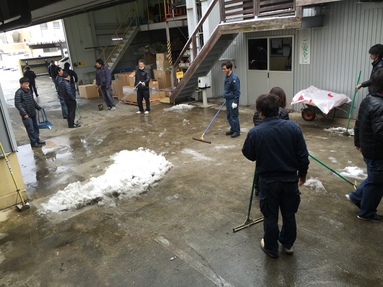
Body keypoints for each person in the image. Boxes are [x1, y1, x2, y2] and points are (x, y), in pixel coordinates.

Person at [242, 93, 309, 259]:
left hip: (268, 182)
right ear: (278, 109)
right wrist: (302, 174)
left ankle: (271, 248)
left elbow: (249, 154)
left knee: (270, 216)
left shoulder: (255, 132)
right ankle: (287, 244)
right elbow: (303, 155)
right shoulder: (293, 128)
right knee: (289, 214)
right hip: (290, 180)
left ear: (261, 113)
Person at [346, 69, 383, 222]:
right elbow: (381, 133)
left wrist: (358, 142)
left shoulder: (368, 100)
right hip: (377, 152)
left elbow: (359, 123)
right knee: (376, 183)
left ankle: (356, 196)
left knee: (374, 178)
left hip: (369, 149)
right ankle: (366, 212)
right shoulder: (380, 106)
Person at [14, 77, 46, 148]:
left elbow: (32, 101)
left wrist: (38, 107)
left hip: (33, 113)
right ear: (21, 84)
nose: (27, 85)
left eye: (28, 83)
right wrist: (24, 113)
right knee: (30, 129)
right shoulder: (19, 93)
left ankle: (37, 140)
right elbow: (17, 104)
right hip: (26, 115)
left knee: (35, 127)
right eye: (25, 83)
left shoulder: (29, 91)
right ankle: (33, 142)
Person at [222, 61, 240, 138]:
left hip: (233, 100)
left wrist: (235, 102)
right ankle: (233, 129)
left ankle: (236, 131)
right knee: (229, 116)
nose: (223, 70)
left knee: (233, 116)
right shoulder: (227, 76)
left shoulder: (234, 78)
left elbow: (237, 91)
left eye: (224, 69)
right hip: (228, 99)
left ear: (229, 68)